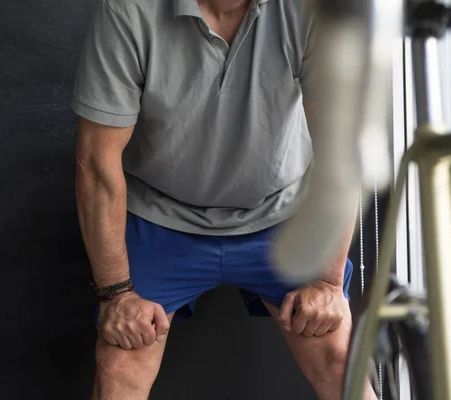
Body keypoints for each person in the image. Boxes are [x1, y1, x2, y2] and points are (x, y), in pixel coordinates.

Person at [72, 0, 377, 399]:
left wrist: (327, 282)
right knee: (119, 364)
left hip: (281, 215)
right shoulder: (128, 9)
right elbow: (97, 163)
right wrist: (116, 295)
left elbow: (342, 151)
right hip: (162, 216)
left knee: (339, 357)